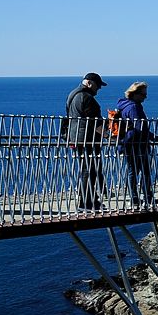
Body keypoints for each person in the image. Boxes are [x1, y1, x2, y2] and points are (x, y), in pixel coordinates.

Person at [66, 72, 108, 211]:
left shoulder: (72, 94)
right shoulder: (87, 98)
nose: (99, 89)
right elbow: (95, 121)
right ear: (89, 83)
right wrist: (107, 135)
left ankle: (89, 200)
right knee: (90, 170)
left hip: (75, 137)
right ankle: (86, 202)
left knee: (87, 169)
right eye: (98, 85)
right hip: (87, 139)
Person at [117, 81, 155, 207]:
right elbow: (140, 126)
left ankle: (134, 197)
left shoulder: (124, 106)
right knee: (145, 171)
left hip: (127, 143)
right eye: (143, 94)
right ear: (135, 94)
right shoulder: (134, 107)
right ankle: (147, 196)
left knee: (132, 171)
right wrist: (151, 137)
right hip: (137, 143)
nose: (146, 97)